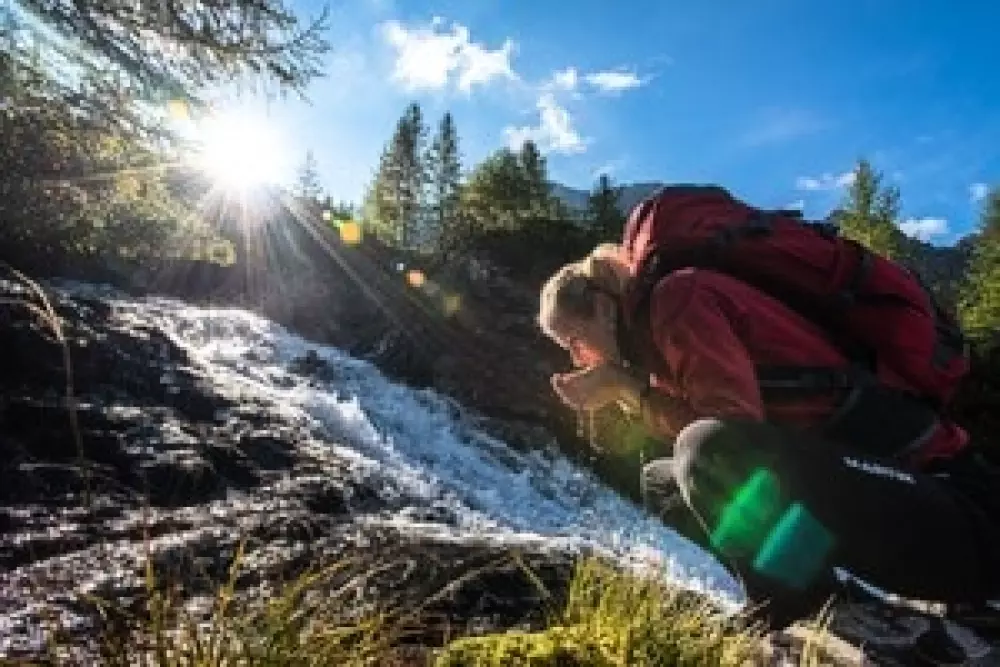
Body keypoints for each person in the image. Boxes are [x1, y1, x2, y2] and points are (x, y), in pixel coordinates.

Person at [537, 233, 1000, 631]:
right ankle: (832, 606)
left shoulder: (679, 300)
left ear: (601, 307)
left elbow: (728, 432)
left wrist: (626, 387)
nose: (578, 360)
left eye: (573, 341)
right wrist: (632, 390)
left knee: (706, 449)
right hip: (902, 514)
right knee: (663, 480)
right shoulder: (655, 340)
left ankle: (795, 610)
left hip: (961, 515)